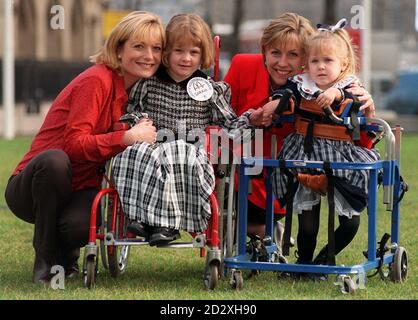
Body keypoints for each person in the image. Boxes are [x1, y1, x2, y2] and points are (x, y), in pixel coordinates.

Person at [4, 11, 164, 283]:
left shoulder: (137, 91)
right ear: (118, 48)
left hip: (82, 185)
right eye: (139, 46)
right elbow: (74, 146)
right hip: (35, 186)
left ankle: (68, 256)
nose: (149, 55)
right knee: (55, 160)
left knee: (82, 226)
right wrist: (127, 137)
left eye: (157, 48)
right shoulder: (97, 80)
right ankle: (44, 259)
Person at [224, 12, 376, 261]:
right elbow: (223, 115)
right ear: (264, 51)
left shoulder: (337, 86)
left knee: (340, 216)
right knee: (299, 219)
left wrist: (367, 111)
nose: (283, 62)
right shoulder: (250, 68)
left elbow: (358, 135)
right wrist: (264, 110)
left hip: (290, 176)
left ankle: (279, 238)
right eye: (275, 53)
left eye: (293, 54)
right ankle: (263, 234)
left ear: (304, 58)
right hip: (250, 174)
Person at [111, 13, 264, 247]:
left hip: (190, 155)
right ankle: (141, 216)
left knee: (178, 152)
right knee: (133, 153)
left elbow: (229, 123)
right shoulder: (148, 84)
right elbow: (131, 110)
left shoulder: (209, 90)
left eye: (194, 52)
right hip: (153, 145)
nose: (186, 58)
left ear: (203, 56)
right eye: (179, 51)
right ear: (166, 54)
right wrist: (139, 123)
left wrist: (251, 119)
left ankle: (166, 223)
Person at [271, 18, 380, 266]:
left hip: (341, 156)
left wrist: (337, 93)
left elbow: (356, 99)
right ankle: (304, 263)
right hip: (305, 153)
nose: (320, 67)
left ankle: (324, 259)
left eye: (328, 61)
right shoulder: (301, 85)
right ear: (307, 64)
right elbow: (283, 94)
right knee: (307, 224)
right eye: (315, 61)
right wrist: (275, 103)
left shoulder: (350, 85)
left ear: (343, 64)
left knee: (351, 222)